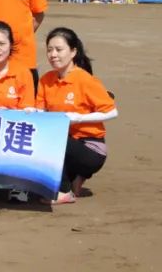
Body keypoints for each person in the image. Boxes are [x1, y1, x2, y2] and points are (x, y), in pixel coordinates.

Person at [36, 28, 118, 205]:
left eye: (59, 49)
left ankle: (64, 191)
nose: (53, 54)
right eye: (49, 50)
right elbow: (41, 111)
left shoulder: (85, 80)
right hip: (68, 144)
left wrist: (79, 118)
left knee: (53, 140)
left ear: (73, 52)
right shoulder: (46, 80)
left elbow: (111, 111)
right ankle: (75, 177)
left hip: (90, 148)